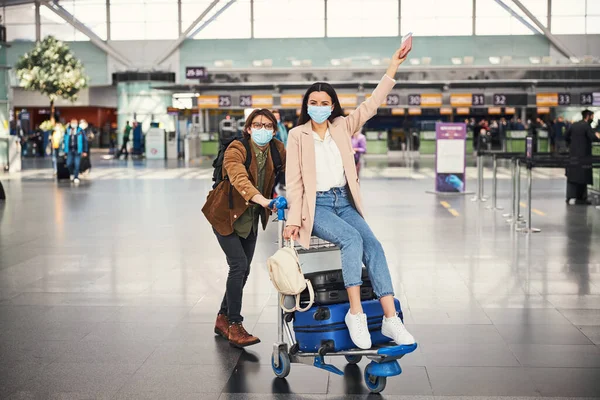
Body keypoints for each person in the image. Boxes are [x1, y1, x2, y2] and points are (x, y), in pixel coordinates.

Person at [283, 45, 415, 350]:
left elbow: (372, 104)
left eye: (324, 102)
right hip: (317, 207)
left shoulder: (343, 126)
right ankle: (355, 314)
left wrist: (393, 66)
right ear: (307, 105)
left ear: (332, 106)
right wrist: (292, 220)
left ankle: (390, 318)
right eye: (313, 102)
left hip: (344, 201)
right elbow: (294, 183)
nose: (318, 106)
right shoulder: (297, 136)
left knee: (374, 245)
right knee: (351, 240)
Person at [202, 109, 286, 348]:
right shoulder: (236, 149)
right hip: (224, 215)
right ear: (248, 128)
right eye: (258, 125)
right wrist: (264, 200)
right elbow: (239, 178)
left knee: (245, 269)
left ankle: (222, 317)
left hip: (249, 217)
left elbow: (297, 169)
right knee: (238, 265)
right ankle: (234, 325)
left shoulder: (278, 150)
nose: (263, 130)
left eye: (268, 126)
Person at [565, 110, 600, 205]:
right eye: (592, 117)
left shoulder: (574, 125)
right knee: (582, 177)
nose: (592, 119)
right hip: (584, 155)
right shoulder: (586, 126)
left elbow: (566, 136)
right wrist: (597, 136)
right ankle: (582, 198)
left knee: (572, 177)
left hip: (573, 155)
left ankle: (569, 196)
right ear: (588, 116)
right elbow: (592, 137)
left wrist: (571, 145)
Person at [63, 119, 88, 184]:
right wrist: (64, 150)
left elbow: (85, 141)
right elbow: (64, 140)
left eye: (75, 123)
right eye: (72, 123)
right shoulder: (67, 130)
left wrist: (85, 151)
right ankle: (72, 173)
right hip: (69, 150)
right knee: (69, 163)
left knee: (77, 164)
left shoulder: (80, 131)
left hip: (78, 150)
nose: (73, 124)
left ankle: (76, 177)